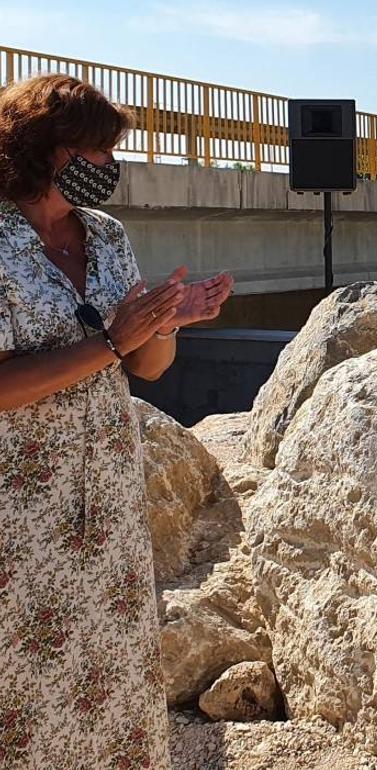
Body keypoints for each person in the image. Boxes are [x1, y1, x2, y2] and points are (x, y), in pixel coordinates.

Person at [0, 74, 233, 766]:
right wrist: (109, 341)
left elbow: (149, 367)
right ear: (48, 149)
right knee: (25, 678)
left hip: (105, 502)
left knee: (113, 674)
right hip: (19, 510)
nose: (111, 169)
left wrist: (165, 322)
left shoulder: (106, 235)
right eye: (99, 153)